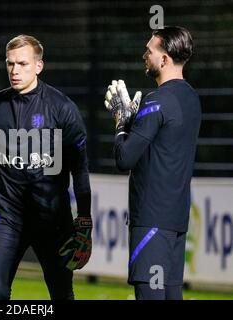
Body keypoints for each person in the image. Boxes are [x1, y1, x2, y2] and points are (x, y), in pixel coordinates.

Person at [0, 35, 92, 300]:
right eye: (10, 64)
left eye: (22, 63)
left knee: (62, 293)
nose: (14, 70)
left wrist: (84, 222)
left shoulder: (62, 108)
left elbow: (80, 169)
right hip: (7, 218)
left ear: (39, 66)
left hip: (52, 221)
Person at [104, 26, 201, 300]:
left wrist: (121, 122)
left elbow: (124, 158)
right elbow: (163, 145)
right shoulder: (192, 98)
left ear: (165, 58)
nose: (144, 54)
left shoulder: (156, 100)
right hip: (176, 223)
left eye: (150, 50)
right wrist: (137, 122)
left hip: (151, 225)